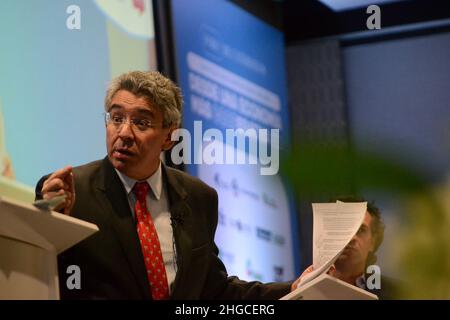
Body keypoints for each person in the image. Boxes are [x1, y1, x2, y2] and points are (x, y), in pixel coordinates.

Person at [35, 71, 298, 299]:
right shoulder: (71, 191)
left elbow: (213, 291)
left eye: (141, 122)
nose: (124, 133)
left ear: (170, 137)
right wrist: (51, 221)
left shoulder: (198, 198)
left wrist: (294, 289)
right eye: (116, 118)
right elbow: (47, 273)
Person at [295, 196, 398, 299]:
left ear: (373, 242)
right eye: (340, 229)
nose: (351, 237)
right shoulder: (294, 291)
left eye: (360, 230)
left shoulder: (398, 293)